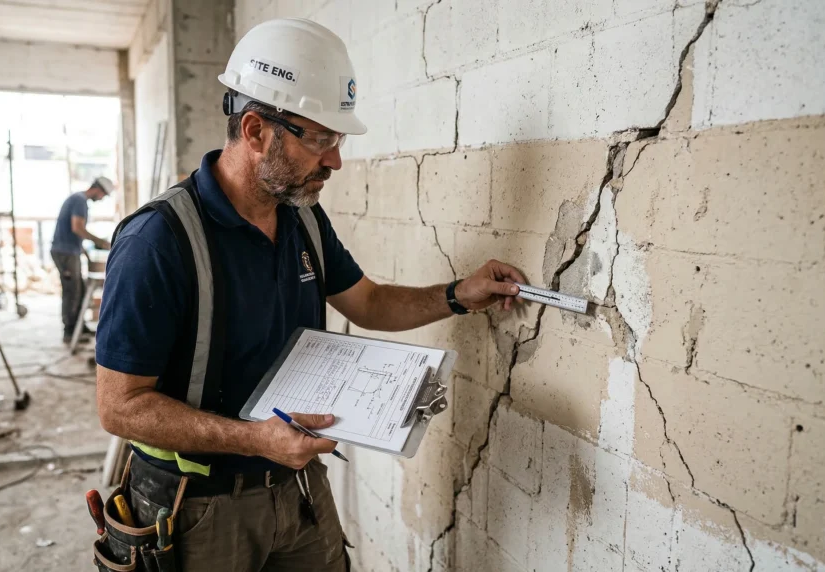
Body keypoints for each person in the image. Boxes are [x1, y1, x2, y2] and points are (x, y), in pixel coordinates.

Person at [94, 18, 526, 572]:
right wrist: (255, 440)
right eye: (320, 139)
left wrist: (459, 294)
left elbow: (368, 302)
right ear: (255, 130)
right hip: (196, 507)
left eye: (337, 140)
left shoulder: (302, 219)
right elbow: (120, 406)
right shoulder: (158, 241)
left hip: (296, 487)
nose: (335, 160)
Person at [50, 176, 112, 344]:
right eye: (103, 195)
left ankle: (79, 326)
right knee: (72, 291)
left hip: (69, 251)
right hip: (65, 253)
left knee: (81, 290)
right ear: (98, 189)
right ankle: (69, 331)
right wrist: (101, 242)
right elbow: (77, 228)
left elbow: (73, 233)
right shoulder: (79, 201)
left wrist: (84, 252)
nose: (102, 199)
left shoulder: (78, 199)